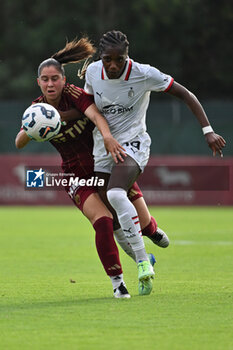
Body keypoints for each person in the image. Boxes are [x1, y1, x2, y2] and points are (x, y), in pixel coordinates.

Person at [15, 37, 159, 298]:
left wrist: (107, 137)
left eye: (54, 78)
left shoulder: (75, 96)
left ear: (63, 79)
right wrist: (32, 128)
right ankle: (118, 284)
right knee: (104, 221)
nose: (50, 84)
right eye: (45, 80)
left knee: (146, 225)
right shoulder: (36, 110)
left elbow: (96, 115)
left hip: (105, 166)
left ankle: (148, 244)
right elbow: (19, 142)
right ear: (39, 82)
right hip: (75, 176)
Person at [83, 30, 226, 292]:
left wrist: (208, 131)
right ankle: (149, 238)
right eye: (107, 60)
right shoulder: (92, 72)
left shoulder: (144, 73)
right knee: (113, 219)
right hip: (103, 148)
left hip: (134, 143)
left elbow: (186, 94)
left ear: (128, 56)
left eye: (120, 59)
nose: (113, 65)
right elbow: (88, 106)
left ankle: (142, 264)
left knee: (116, 193)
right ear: (100, 58)